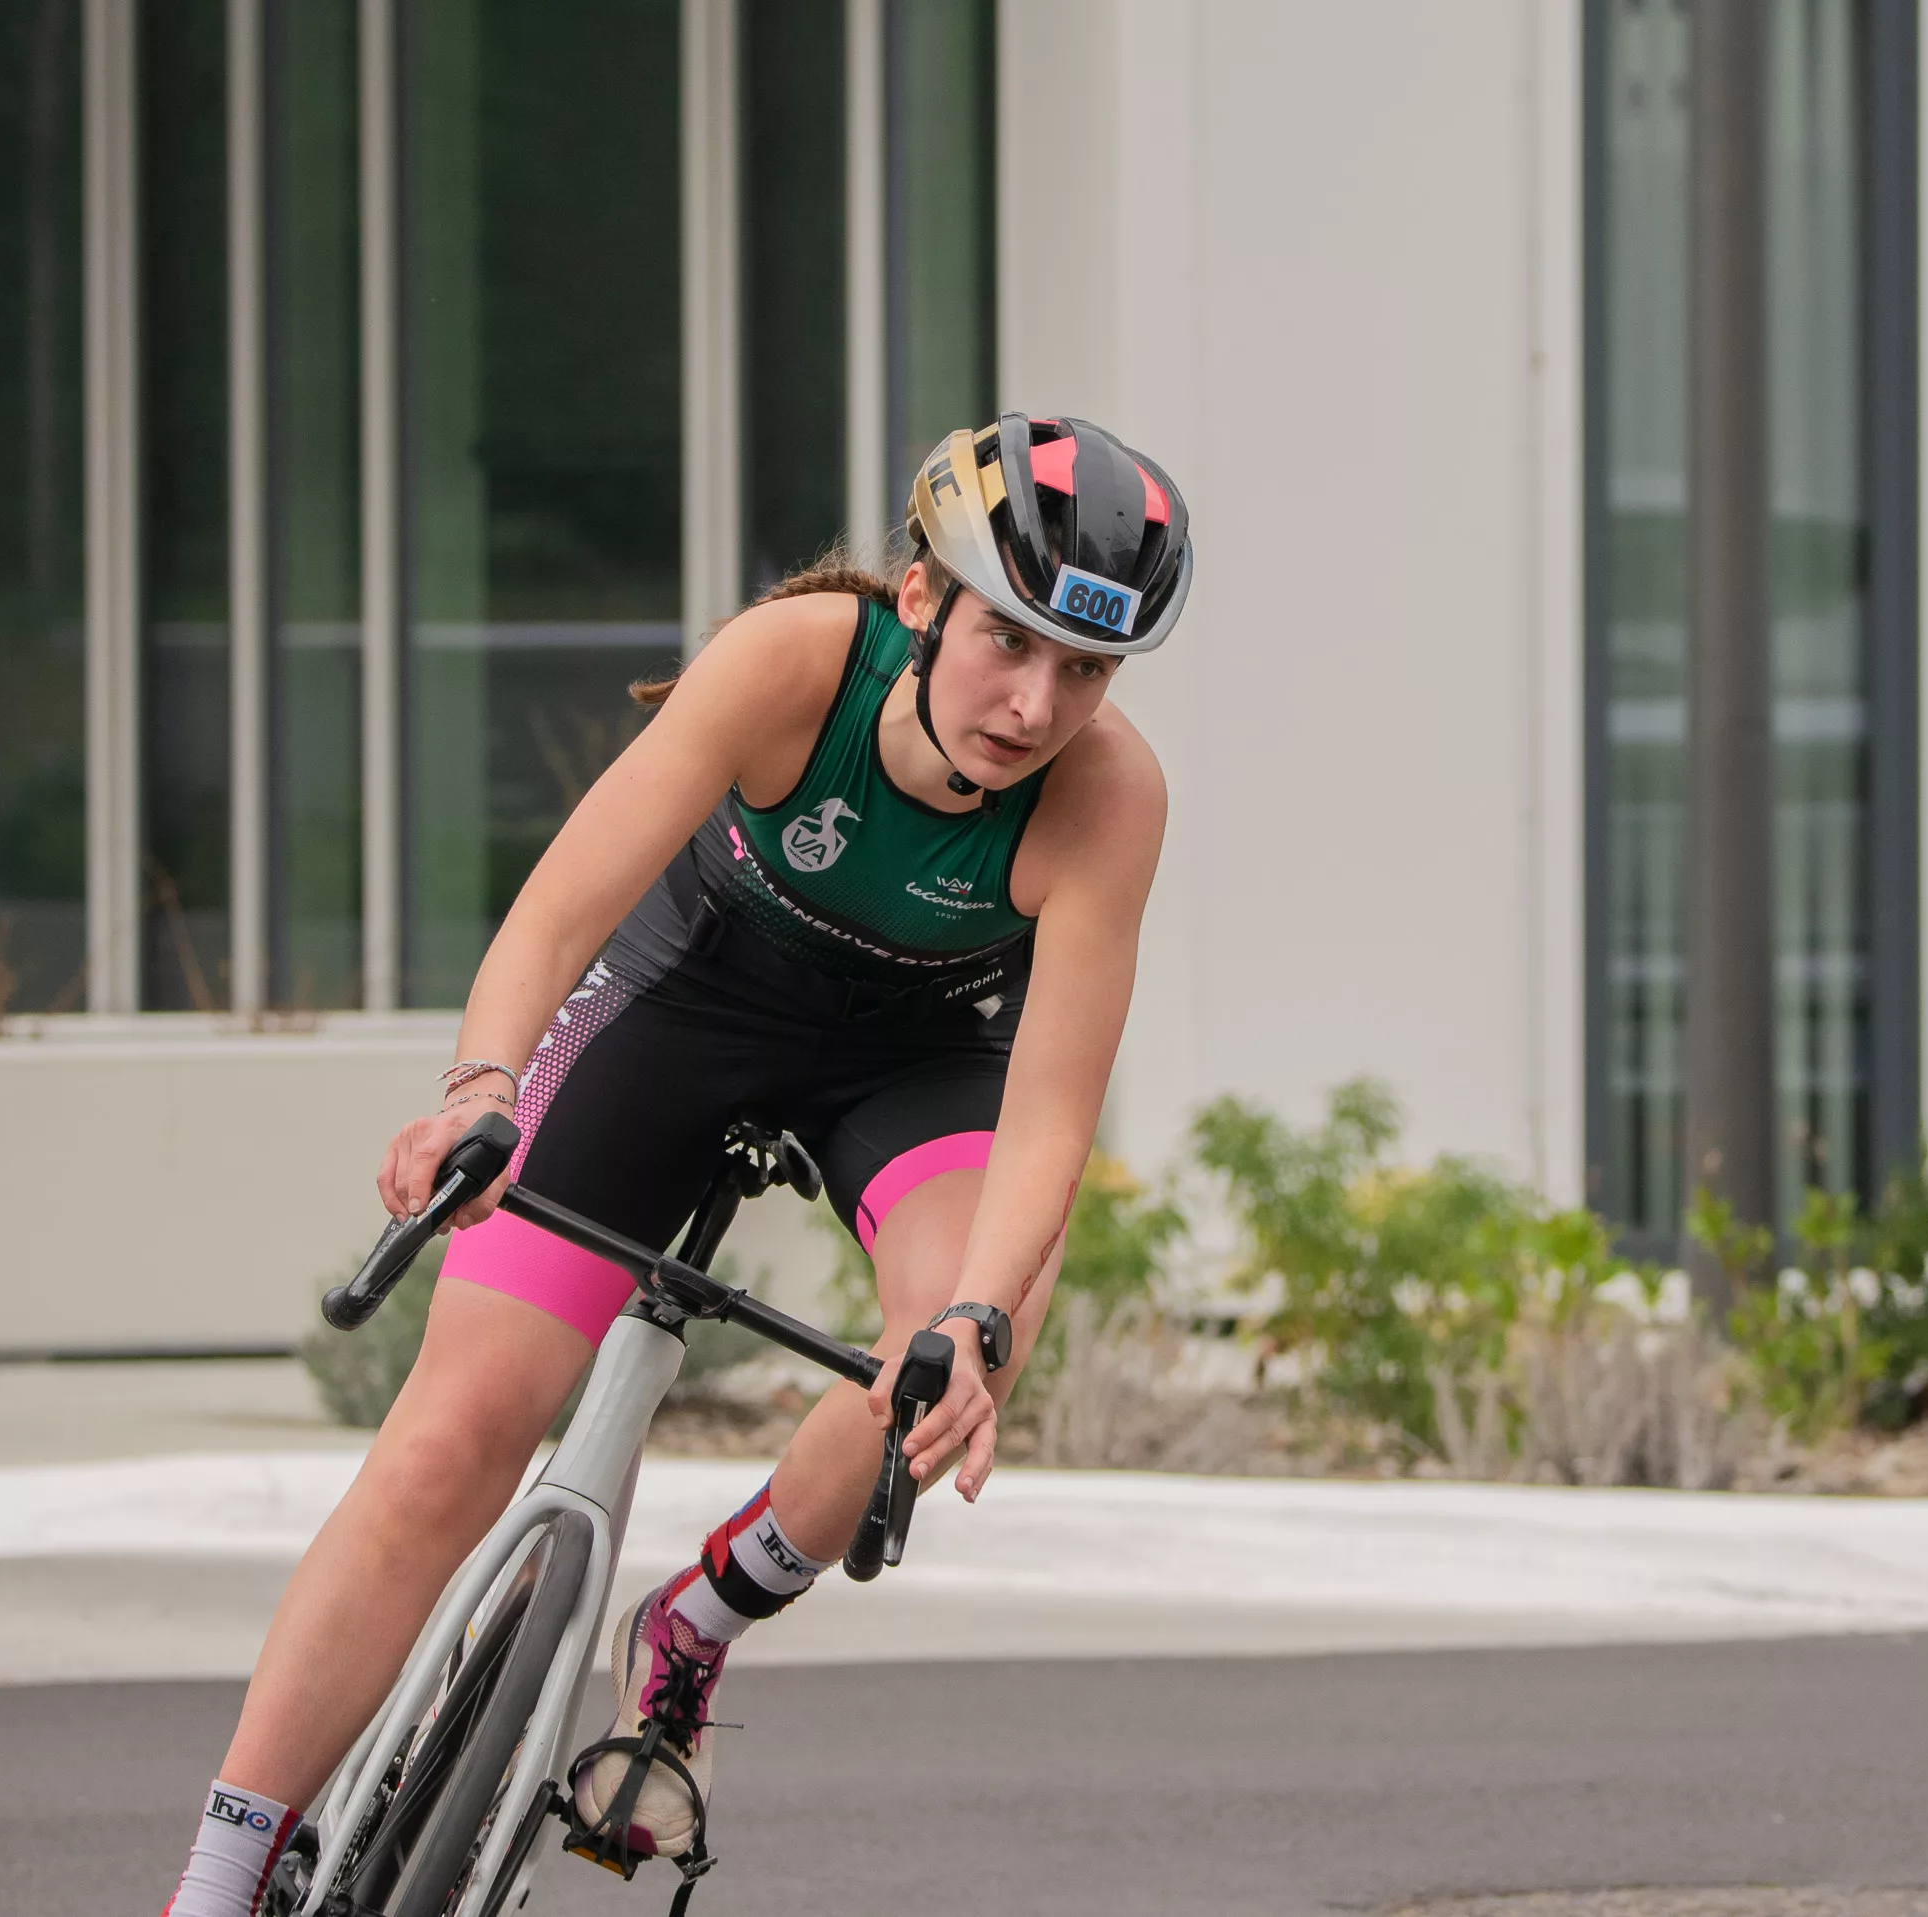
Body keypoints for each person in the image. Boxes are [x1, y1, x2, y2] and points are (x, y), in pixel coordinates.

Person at [161, 413, 1193, 1915]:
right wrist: (481, 1088)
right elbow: (565, 900)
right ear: (923, 596)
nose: (1037, 706)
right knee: (452, 1439)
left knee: (967, 1341)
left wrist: (974, 1318)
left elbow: (1049, 1112)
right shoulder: (794, 664)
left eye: (1086, 669)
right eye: (1008, 643)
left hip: (922, 1053)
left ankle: (701, 1618)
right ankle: (218, 1876)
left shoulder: (1109, 797)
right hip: (690, 992)